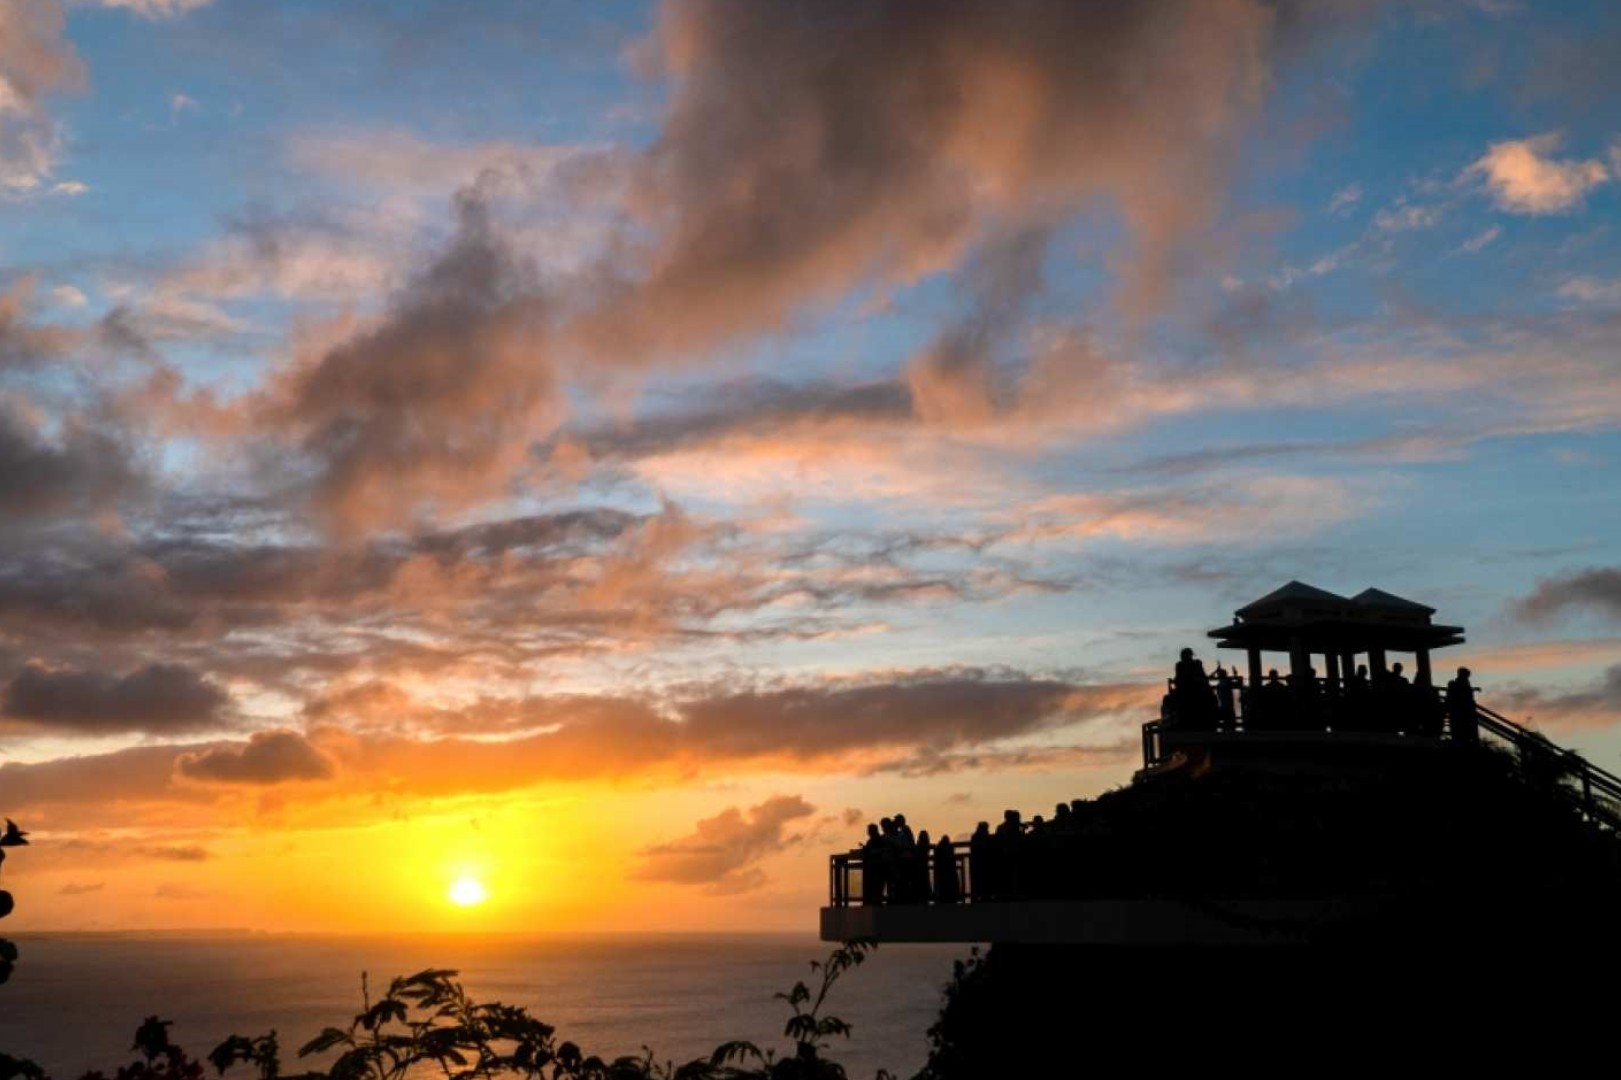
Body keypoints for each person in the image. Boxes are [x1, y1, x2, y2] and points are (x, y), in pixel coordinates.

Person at [1173, 648, 1216, 730]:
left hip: (1197, 690)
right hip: (1185, 691)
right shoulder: (1180, 665)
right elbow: (1179, 678)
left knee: (1210, 696)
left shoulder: (1196, 664)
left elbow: (1202, 676)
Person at [1447, 667, 1479, 745]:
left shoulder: (1461, 684)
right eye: (1466, 675)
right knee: (1462, 732)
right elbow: (1460, 695)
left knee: (1465, 732)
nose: (1467, 677)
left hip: (1464, 712)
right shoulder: (1456, 684)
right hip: (1461, 712)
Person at [860, 824, 886, 906]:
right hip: (874, 867)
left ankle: (876, 902)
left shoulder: (878, 840)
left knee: (876, 886)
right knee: (875, 887)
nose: (867, 832)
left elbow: (880, 851)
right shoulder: (873, 840)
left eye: (868, 830)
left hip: (877, 867)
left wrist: (867, 850)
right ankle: (874, 901)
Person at [969, 821, 994, 901]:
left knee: (978, 882)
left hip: (978, 863)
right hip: (984, 863)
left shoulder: (975, 837)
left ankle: (977, 897)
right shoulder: (985, 837)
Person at [933, 833, 960, 904]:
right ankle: (951, 897)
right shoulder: (950, 847)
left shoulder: (938, 848)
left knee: (942, 885)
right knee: (949, 885)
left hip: (941, 871)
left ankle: (941, 897)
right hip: (949, 871)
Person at [1214, 665, 1237, 731]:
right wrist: (1235, 674)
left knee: (1225, 722)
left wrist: (1216, 671)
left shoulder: (1219, 684)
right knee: (1230, 724)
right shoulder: (1227, 682)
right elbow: (1237, 683)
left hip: (1223, 705)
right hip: (1229, 706)